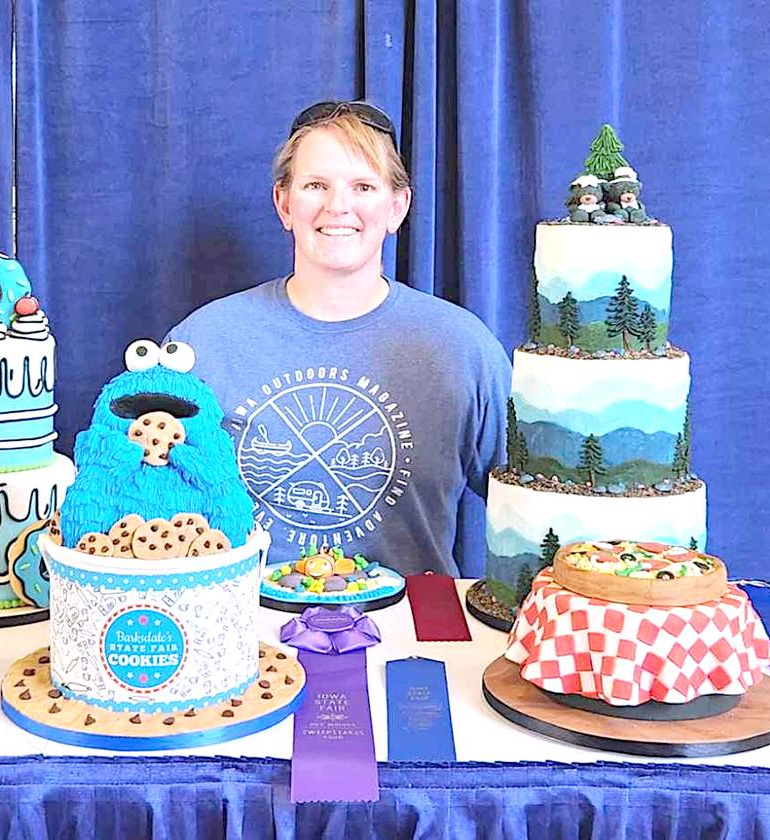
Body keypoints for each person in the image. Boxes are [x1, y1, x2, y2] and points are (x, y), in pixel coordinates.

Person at [166, 100, 511, 577]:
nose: (338, 206)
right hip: (244, 630)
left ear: (397, 207)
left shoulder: (463, 348)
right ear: (284, 204)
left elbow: (529, 506)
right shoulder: (200, 344)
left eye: (363, 186)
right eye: (315, 186)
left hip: (417, 632)